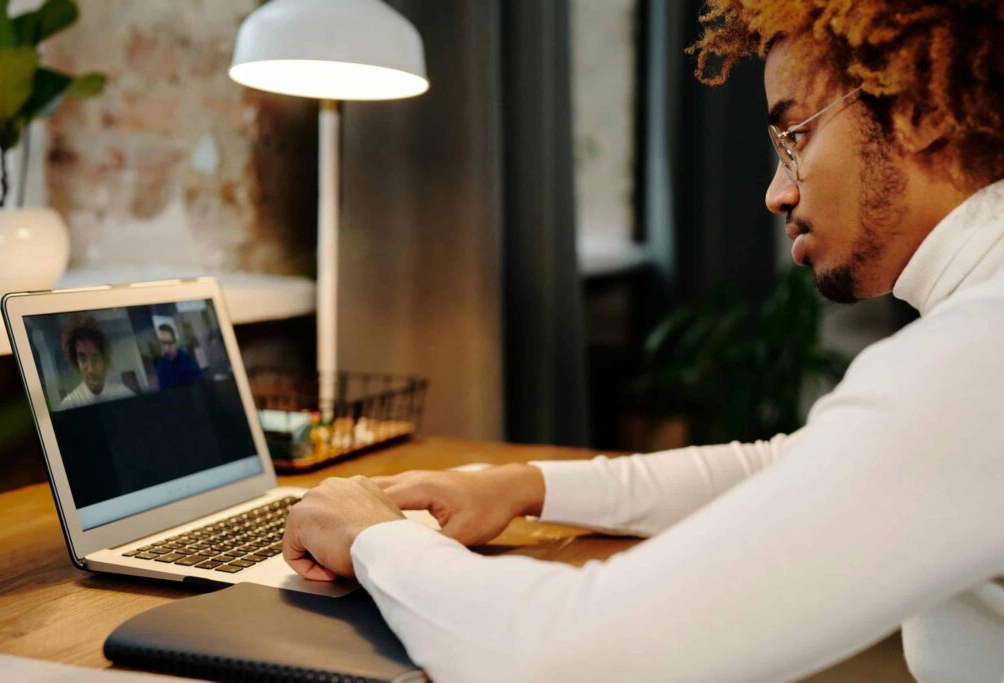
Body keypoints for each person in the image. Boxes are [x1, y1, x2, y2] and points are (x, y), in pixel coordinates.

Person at [282, 3, 1004, 681]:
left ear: (916, 112)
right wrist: (525, 485)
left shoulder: (977, 358)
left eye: (794, 136)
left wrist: (375, 538)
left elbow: (572, 658)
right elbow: (794, 464)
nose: (776, 192)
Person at [59, 314, 136, 410]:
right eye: (83, 360)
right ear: (76, 363)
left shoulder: (124, 395)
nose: (91, 369)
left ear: (104, 360)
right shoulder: (69, 406)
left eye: (95, 359)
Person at [155, 324, 204, 390]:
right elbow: (164, 392)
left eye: (169, 343)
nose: (166, 348)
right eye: (163, 344)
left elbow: (200, 383)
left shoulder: (187, 360)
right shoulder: (161, 366)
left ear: (175, 341)